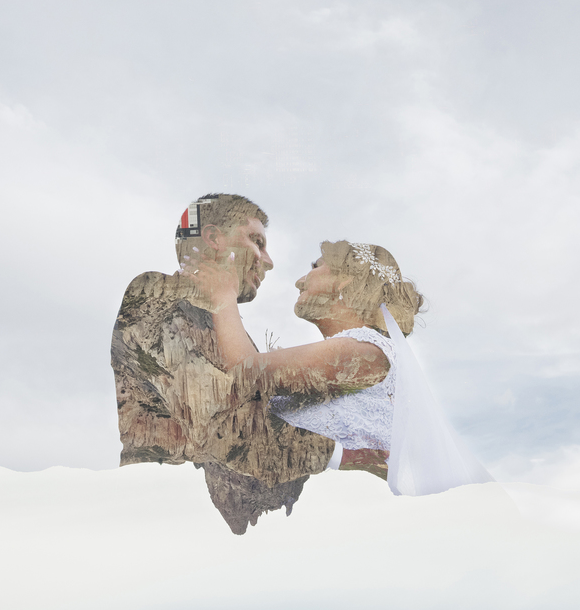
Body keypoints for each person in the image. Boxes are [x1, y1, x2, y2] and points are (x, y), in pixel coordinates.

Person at [111, 195, 376, 534]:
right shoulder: (155, 293)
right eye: (256, 241)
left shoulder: (225, 324)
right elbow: (222, 423)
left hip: (238, 530)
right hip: (174, 522)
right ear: (213, 238)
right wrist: (350, 455)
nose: (268, 262)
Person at [186, 239, 492, 495]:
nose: (300, 281)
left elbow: (243, 373)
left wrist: (224, 294)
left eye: (315, 266)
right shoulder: (346, 353)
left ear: (345, 280)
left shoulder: (367, 352)